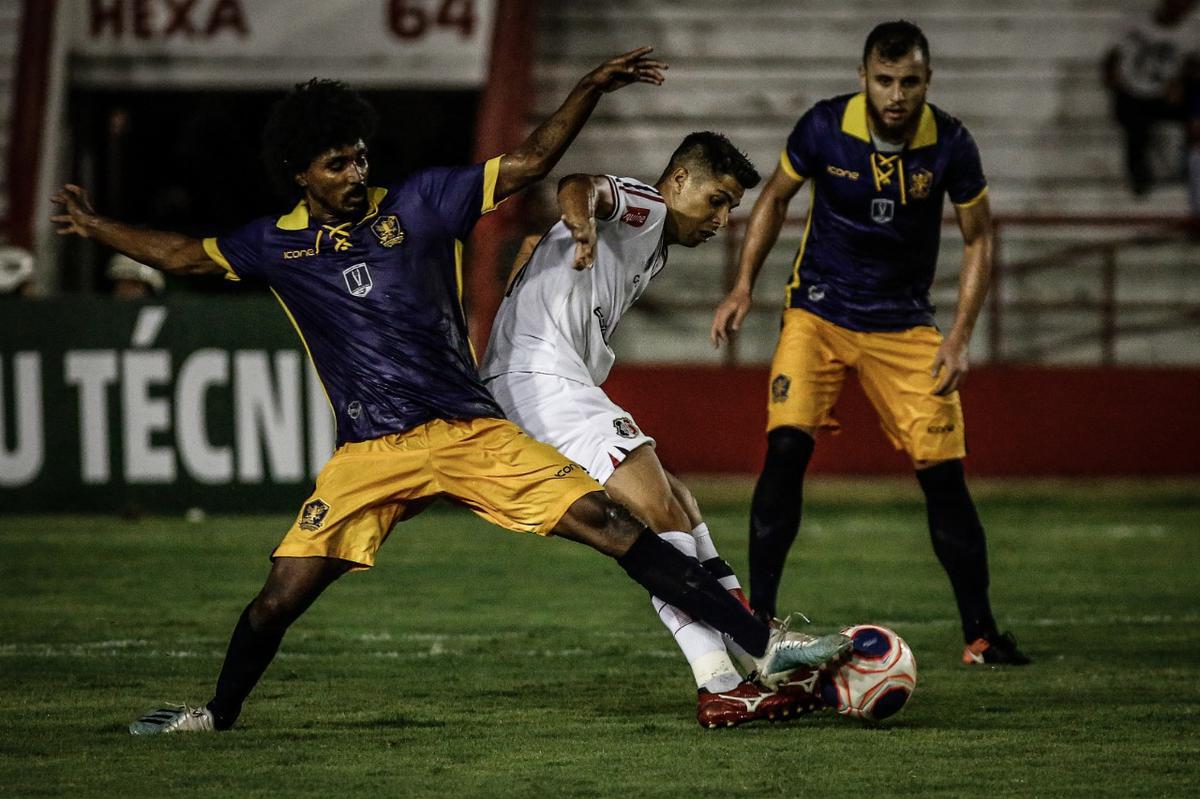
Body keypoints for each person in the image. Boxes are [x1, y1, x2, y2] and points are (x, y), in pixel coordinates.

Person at [52, 48, 846, 736]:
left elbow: (534, 162)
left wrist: (591, 90)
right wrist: (99, 229)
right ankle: (217, 713)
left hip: (470, 431)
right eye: (337, 163)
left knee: (611, 521)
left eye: (361, 156)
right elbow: (187, 255)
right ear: (300, 171)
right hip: (372, 452)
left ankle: (755, 645)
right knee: (278, 598)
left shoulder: (422, 203)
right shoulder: (278, 245)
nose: (357, 173)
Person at [480, 132, 848, 728]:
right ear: (678, 180)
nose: (723, 219)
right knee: (660, 512)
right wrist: (578, 222)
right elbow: (580, 187)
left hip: (548, 380)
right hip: (542, 380)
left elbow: (529, 244)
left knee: (680, 501)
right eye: (717, 200)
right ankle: (729, 678)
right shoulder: (646, 209)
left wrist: (537, 263)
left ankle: (753, 661)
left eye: (732, 208)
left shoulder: (651, 247)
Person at [710, 21, 1031, 666]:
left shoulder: (952, 144)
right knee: (785, 450)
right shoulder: (824, 128)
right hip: (818, 314)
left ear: (927, 82)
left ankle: (980, 636)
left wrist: (960, 337)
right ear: (863, 79)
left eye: (909, 82)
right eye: (884, 81)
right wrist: (743, 284)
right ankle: (760, 627)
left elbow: (979, 239)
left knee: (945, 480)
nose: (896, 95)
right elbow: (773, 198)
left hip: (906, 326)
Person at [1102, 0, 1198, 196]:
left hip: (1162, 95)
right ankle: (1139, 173)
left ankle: (1190, 163)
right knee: (1135, 123)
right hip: (1130, 94)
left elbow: (1192, 67)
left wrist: (1180, 83)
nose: (1180, 9)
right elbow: (1112, 56)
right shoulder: (1135, 22)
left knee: (1194, 102)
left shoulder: (1190, 34)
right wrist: (1111, 77)